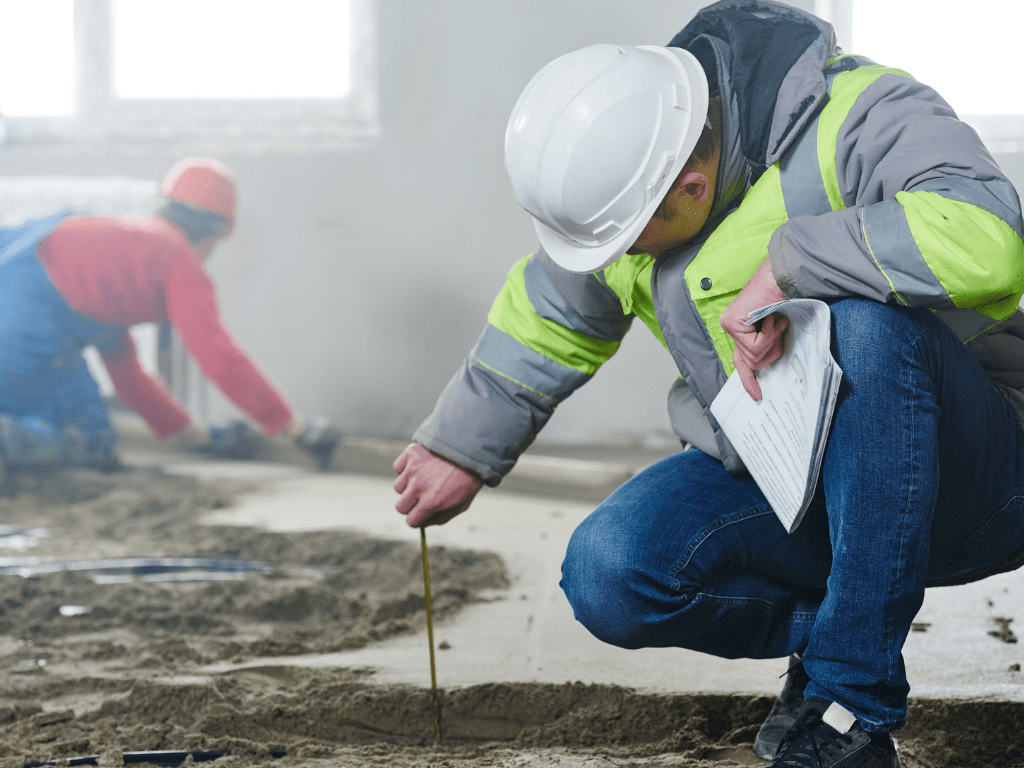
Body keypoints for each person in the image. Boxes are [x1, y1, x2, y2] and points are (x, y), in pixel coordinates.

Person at [393, 1, 1024, 766]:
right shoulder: (632, 179)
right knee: (612, 571)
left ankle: (847, 706)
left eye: (629, 238)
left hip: (977, 476)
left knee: (862, 328)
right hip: (799, 485)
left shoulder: (861, 112)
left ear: (691, 185)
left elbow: (988, 235)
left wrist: (795, 263)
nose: (617, 257)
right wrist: (459, 447)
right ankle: (843, 625)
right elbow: (551, 310)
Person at [0, 157, 340, 474]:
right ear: (214, 236)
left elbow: (129, 377)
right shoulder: (176, 256)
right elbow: (220, 358)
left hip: (20, 301)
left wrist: (201, 436)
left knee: (81, 418)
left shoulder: (121, 249)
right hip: (21, 322)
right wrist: (292, 427)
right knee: (89, 444)